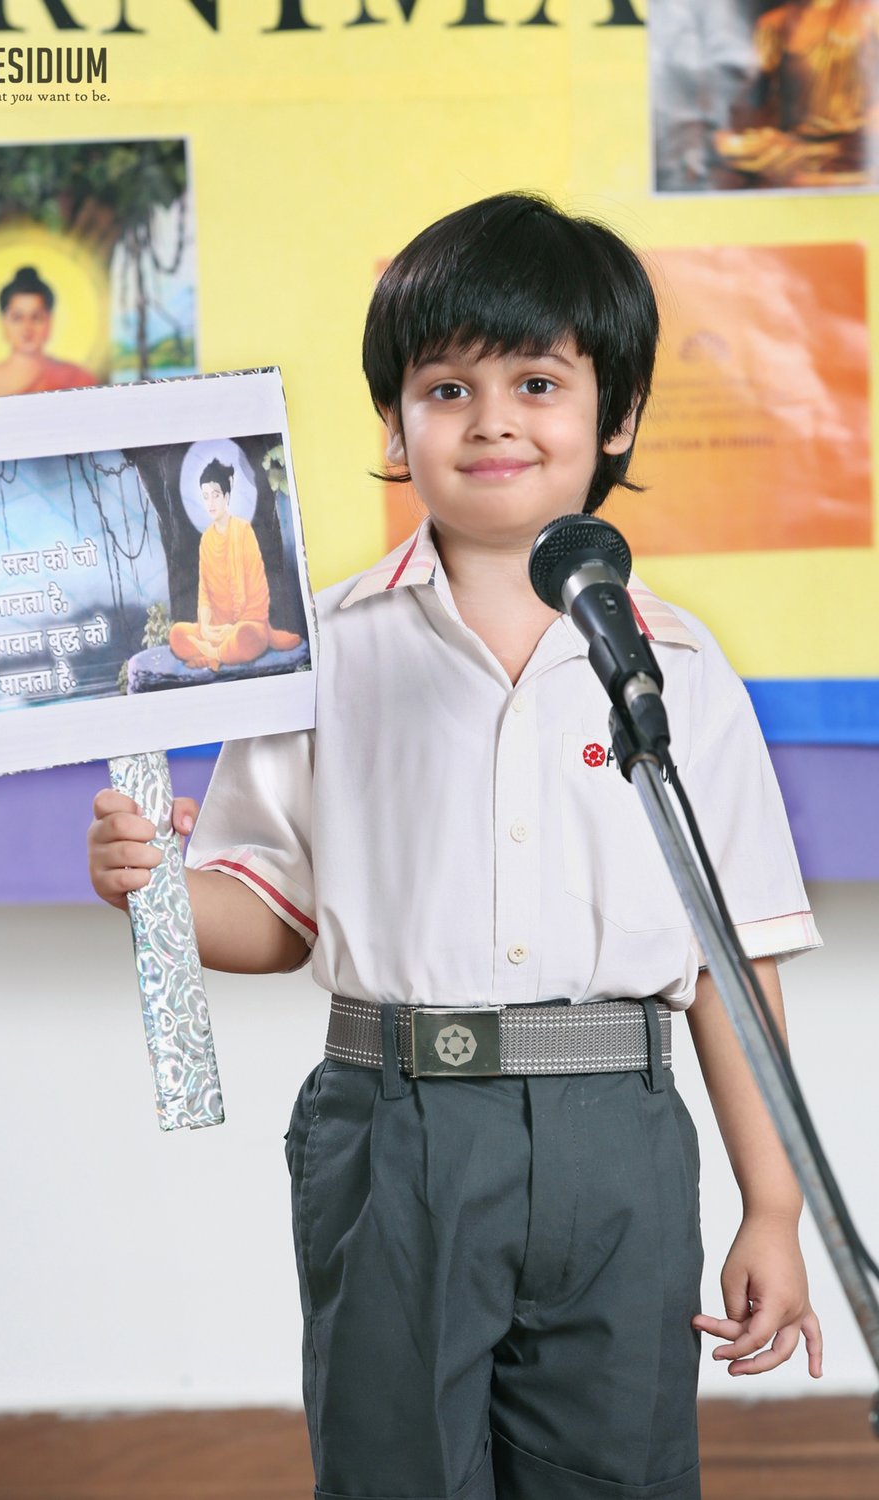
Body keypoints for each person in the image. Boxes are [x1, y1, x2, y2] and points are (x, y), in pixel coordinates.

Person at [88, 193, 823, 1500]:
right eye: (445, 386)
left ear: (619, 417)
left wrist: (772, 1205)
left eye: (538, 380)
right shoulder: (318, 655)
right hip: (396, 1127)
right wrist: (156, 890)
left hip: (619, 1134)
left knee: (621, 1472)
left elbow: (733, 961)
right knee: (396, 1469)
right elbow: (271, 921)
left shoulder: (684, 671)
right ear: (396, 423)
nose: (492, 419)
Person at [167, 457, 303, 671]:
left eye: (216, 495)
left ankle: (214, 654)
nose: (210, 503)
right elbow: (204, 593)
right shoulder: (206, 541)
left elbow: (259, 591)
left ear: (227, 496)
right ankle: (218, 651)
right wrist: (205, 627)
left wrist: (234, 629)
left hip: (247, 624)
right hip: (216, 628)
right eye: (205, 497)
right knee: (177, 635)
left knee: (246, 637)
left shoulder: (244, 531)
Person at [0, 265, 97, 400]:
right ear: (3, 323)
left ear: (50, 321)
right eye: (17, 318)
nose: (27, 328)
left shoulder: (79, 378)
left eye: (36, 317)